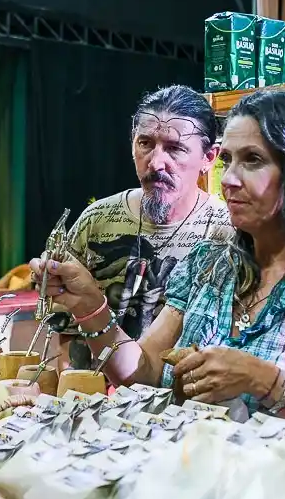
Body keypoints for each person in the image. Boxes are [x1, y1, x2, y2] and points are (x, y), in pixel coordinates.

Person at [32, 89, 285, 439]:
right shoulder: (210, 266)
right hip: (203, 492)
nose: (230, 179)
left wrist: (269, 384)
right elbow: (144, 370)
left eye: (253, 160)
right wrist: (88, 305)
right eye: (228, 160)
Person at [62, 85, 233, 342]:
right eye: (145, 143)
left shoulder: (227, 232)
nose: (155, 162)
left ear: (209, 158)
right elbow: (65, 331)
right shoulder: (96, 221)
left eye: (175, 148)